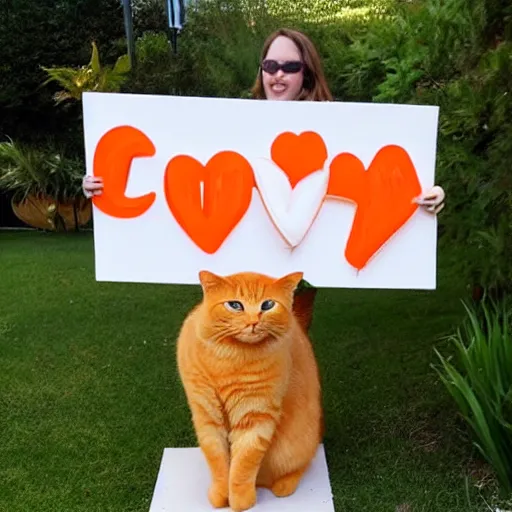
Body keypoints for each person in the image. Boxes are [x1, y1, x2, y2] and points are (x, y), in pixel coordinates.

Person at [82, 28, 445, 213]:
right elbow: (175, 169)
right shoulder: (233, 124)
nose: (278, 76)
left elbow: (372, 178)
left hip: (298, 275)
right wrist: (102, 184)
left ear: (308, 75)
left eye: (290, 67)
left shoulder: (337, 131)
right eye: (271, 66)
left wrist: (429, 195)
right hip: (238, 272)